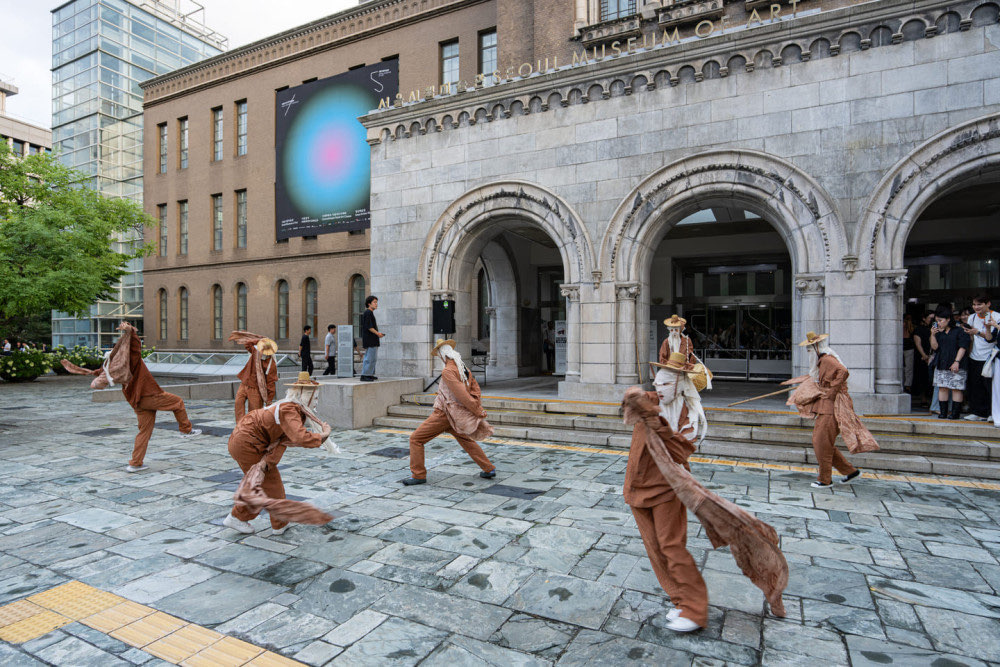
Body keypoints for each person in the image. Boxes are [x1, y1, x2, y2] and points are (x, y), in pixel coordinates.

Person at [623, 353, 710, 632]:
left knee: (671, 546)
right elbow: (630, 403)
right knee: (654, 547)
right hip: (637, 486)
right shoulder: (652, 401)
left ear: (680, 385)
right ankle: (680, 600)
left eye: (666, 383)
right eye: (657, 382)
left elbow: (680, 450)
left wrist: (655, 421)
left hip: (668, 488)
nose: (659, 388)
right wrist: (633, 395)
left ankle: (695, 610)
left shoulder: (690, 416)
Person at [63, 322, 201, 471]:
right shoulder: (132, 361)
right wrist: (131, 332)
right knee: (178, 402)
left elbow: (102, 371)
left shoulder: (116, 367)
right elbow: (135, 347)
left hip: (137, 401)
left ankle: (135, 463)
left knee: (144, 432)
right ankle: (186, 430)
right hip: (149, 395)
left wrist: (85, 371)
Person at [224, 372, 335, 535]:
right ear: (305, 395)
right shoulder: (289, 409)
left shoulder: (292, 407)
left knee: (264, 482)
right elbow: (300, 437)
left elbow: (281, 441)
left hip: (246, 441)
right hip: (247, 443)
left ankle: (275, 523)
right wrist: (323, 435)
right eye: (315, 397)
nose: (316, 401)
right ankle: (241, 518)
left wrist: (268, 462)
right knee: (270, 484)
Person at [401, 339, 496, 486]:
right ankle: (488, 468)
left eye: (439, 355)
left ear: (442, 355)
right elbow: (475, 389)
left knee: (416, 439)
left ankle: (418, 475)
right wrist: (476, 404)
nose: (439, 357)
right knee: (466, 440)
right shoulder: (463, 367)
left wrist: (477, 410)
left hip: (445, 414)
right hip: (456, 414)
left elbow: (462, 394)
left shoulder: (448, 371)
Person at [788, 332, 874, 488]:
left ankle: (825, 479)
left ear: (816, 347)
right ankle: (850, 471)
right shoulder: (823, 360)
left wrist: (832, 391)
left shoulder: (827, 359)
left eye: (809, 348)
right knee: (822, 442)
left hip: (832, 407)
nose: (808, 352)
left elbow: (843, 371)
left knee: (821, 442)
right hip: (826, 407)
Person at [930, 306, 971, 420]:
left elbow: (963, 347)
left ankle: (955, 413)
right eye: (937, 321)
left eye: (940, 320)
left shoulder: (959, 331)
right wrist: (932, 334)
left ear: (948, 319)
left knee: (956, 388)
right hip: (942, 362)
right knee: (942, 387)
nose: (938, 323)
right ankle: (943, 412)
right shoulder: (939, 332)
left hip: (956, 362)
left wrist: (957, 361)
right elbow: (935, 347)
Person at [961, 294, 997, 421]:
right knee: (975, 386)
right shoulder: (971, 317)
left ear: (988, 304)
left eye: (979, 304)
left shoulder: (997, 317)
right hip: (974, 356)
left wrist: (977, 332)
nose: (976, 307)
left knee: (990, 387)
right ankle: (977, 412)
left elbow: (992, 338)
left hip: (990, 357)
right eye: (974, 304)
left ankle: (992, 413)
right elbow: (970, 338)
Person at [233, 333, 278, 423]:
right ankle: (240, 426)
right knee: (238, 404)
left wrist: (269, 400)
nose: (263, 352)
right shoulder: (255, 353)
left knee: (254, 414)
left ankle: (252, 428)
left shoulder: (271, 364)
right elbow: (247, 344)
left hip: (256, 389)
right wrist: (259, 340)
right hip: (244, 383)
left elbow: (271, 382)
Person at [912, 311, 934, 409]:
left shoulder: (934, 329)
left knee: (930, 379)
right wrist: (924, 355)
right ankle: (923, 399)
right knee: (922, 377)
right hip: (922, 357)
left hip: (932, 356)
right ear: (924, 318)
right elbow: (918, 343)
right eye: (930, 318)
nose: (932, 321)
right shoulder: (918, 329)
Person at [360, 295, 384, 381]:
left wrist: (377, 334)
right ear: (369, 304)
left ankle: (369, 374)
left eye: (376, 302)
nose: (376, 304)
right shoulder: (368, 313)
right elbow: (369, 327)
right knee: (369, 358)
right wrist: (378, 333)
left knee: (373, 358)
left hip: (372, 339)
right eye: (374, 302)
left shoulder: (370, 313)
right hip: (370, 339)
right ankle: (365, 375)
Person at [902, 313, 915, 393]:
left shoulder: (910, 327)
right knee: (907, 368)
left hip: (908, 346)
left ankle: (907, 385)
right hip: (907, 346)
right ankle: (907, 385)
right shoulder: (909, 327)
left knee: (908, 368)